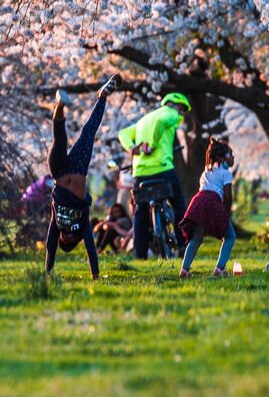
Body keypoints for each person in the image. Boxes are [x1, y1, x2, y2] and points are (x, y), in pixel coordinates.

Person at [45, 75, 120, 279]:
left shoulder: (57, 223)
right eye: (71, 239)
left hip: (58, 172)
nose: (68, 236)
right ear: (76, 236)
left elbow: (50, 247)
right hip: (78, 168)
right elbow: (90, 247)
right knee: (88, 132)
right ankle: (103, 96)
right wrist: (95, 275)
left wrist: (47, 273)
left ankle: (59, 105)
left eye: (64, 239)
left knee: (59, 139)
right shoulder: (82, 220)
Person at [118, 92, 189, 259]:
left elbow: (123, 133)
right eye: (182, 110)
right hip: (163, 169)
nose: (182, 114)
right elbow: (161, 121)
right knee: (179, 205)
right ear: (175, 105)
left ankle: (140, 255)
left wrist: (131, 148)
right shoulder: (170, 112)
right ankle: (182, 246)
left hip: (141, 172)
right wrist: (153, 145)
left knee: (140, 212)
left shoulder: (143, 120)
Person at [176, 138, 238, 277]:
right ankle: (220, 268)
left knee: (197, 238)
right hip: (213, 202)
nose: (233, 157)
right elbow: (227, 197)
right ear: (223, 158)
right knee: (230, 236)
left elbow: (204, 191)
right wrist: (225, 213)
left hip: (198, 202)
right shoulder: (226, 173)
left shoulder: (205, 173)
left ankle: (184, 269)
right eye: (230, 155)